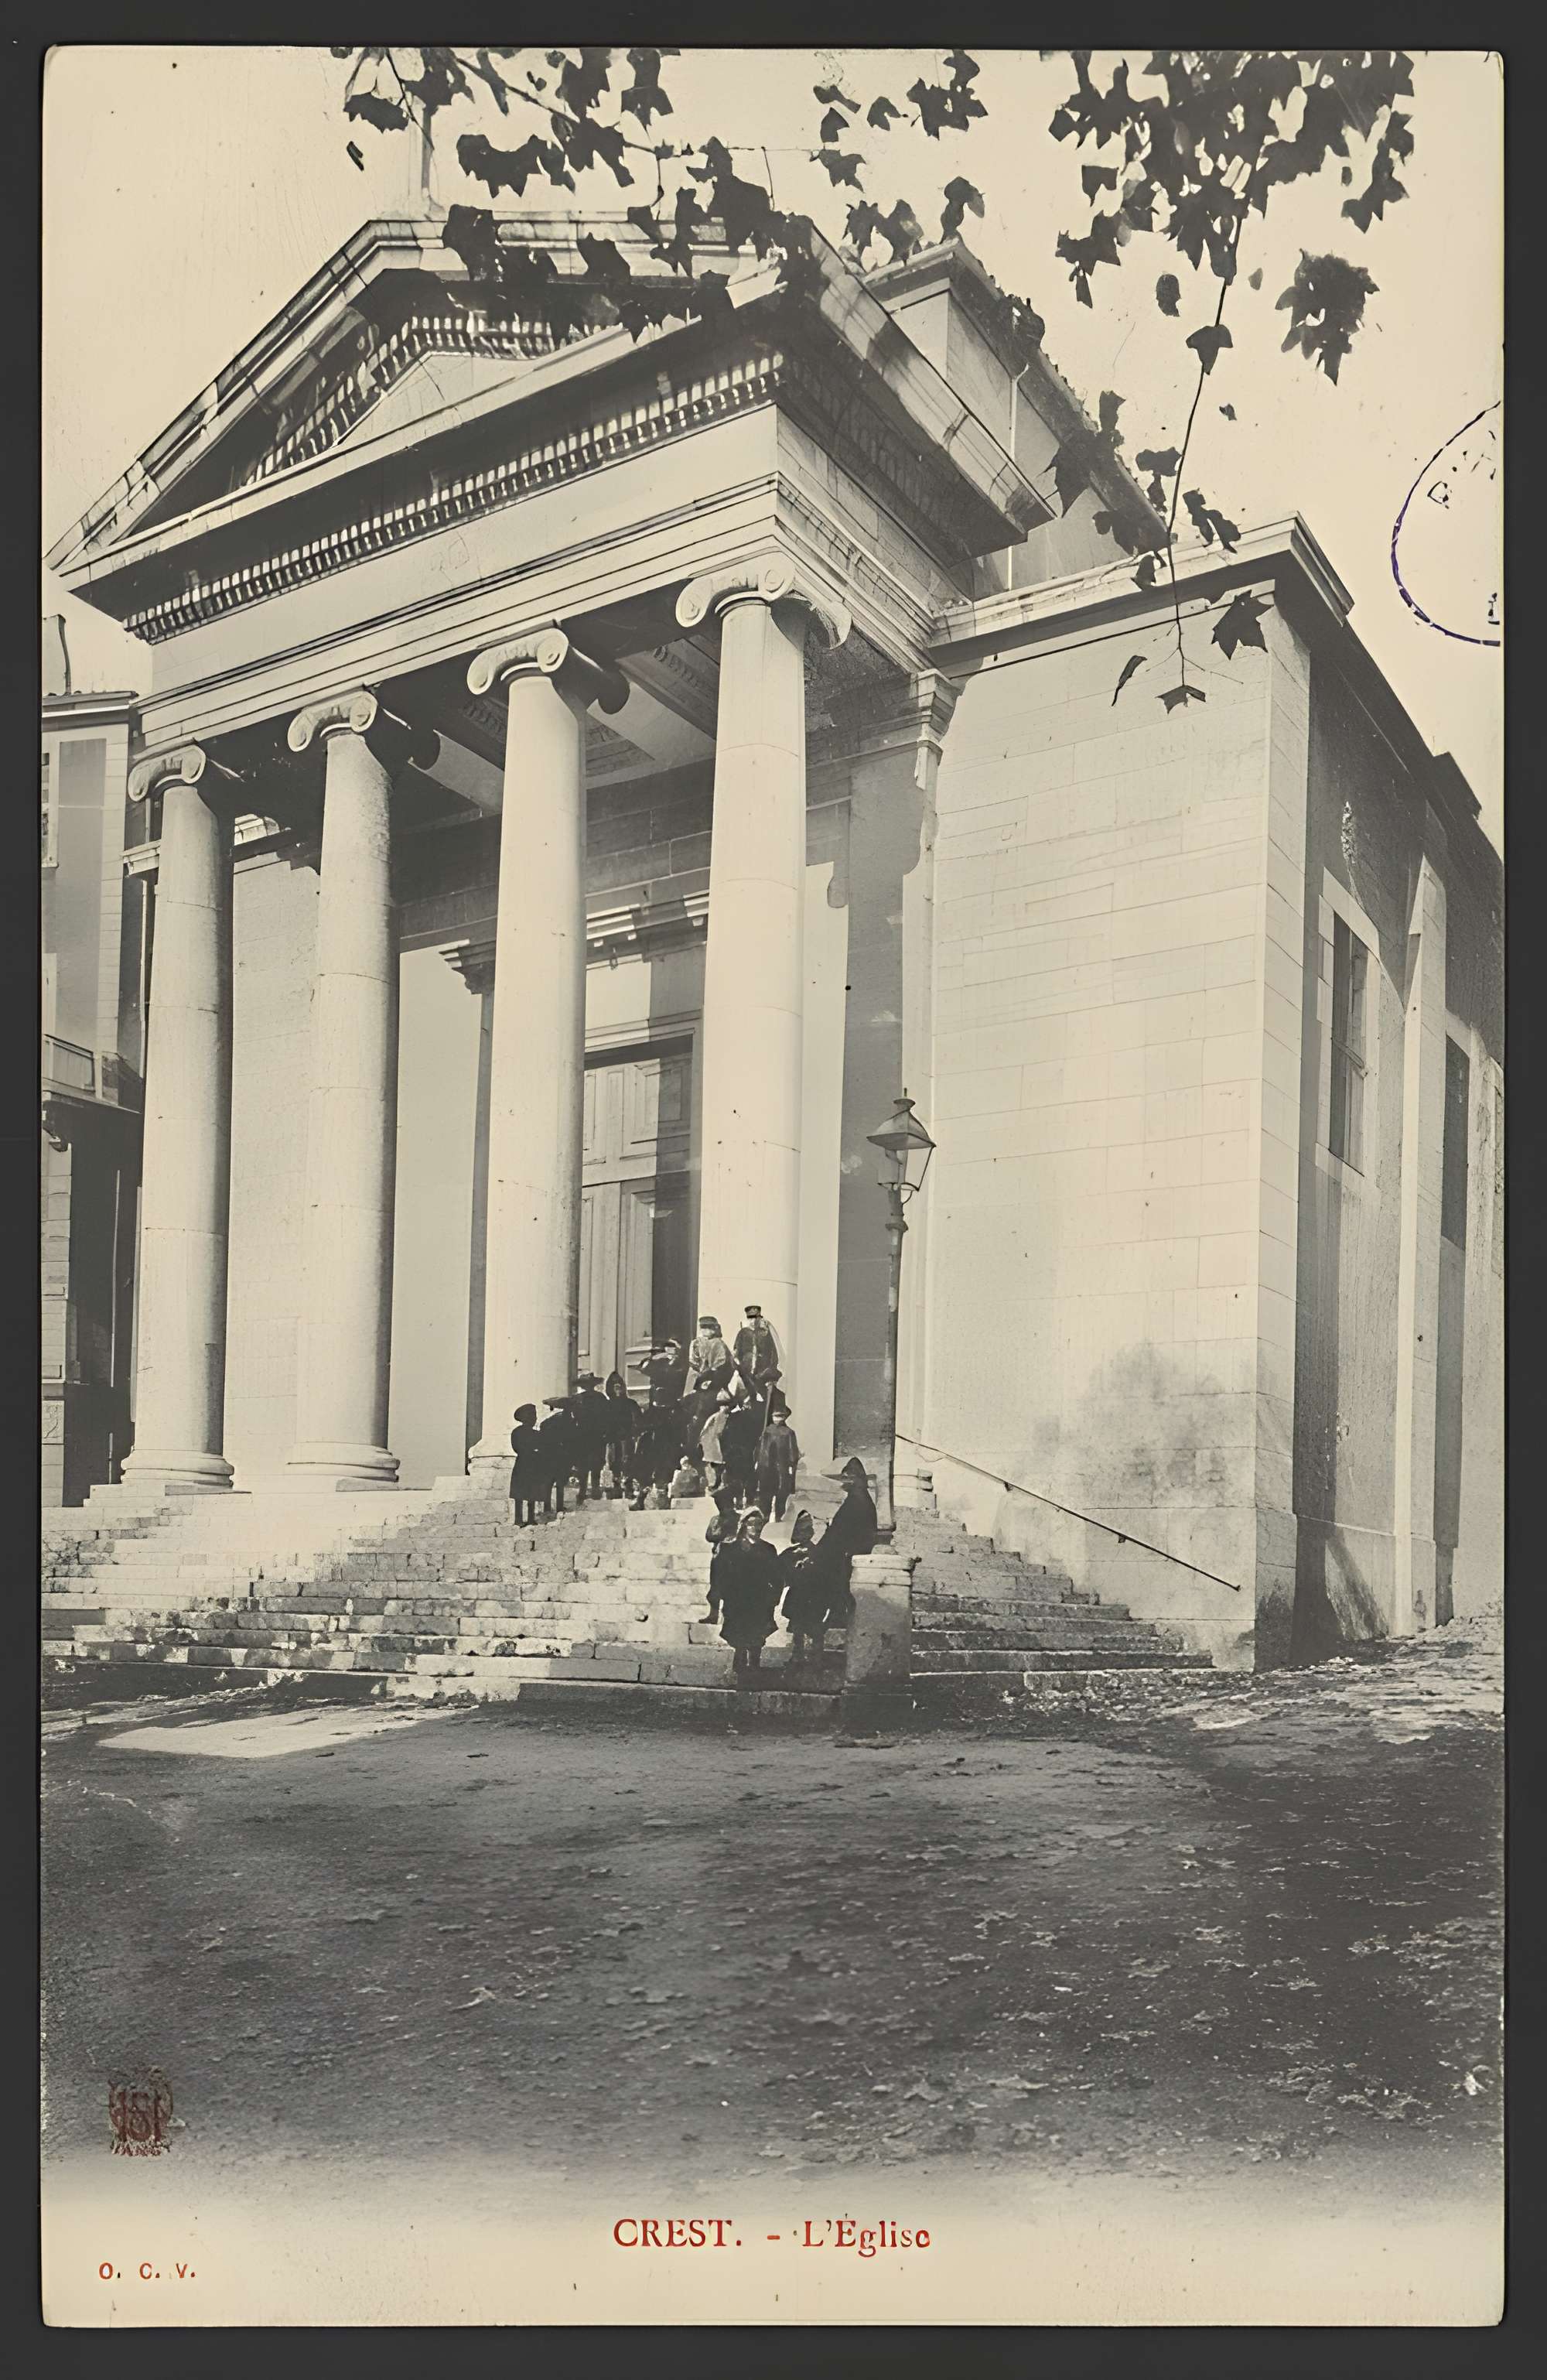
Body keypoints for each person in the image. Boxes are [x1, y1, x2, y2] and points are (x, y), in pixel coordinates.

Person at [712, 1506, 783, 1684]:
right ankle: (740, 1660)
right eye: (752, 1524)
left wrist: (773, 1597)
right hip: (737, 1599)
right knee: (738, 1630)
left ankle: (755, 1665)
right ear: (744, 1525)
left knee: (757, 1632)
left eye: (759, 1524)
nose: (756, 1528)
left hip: (759, 1600)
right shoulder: (729, 1548)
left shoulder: (768, 1549)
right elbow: (719, 1572)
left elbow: (777, 1576)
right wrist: (720, 1593)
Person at [814, 1455, 879, 1620]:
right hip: (848, 1550)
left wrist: (820, 1550)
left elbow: (841, 1530)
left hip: (848, 1553)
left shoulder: (857, 1500)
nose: (844, 1482)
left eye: (849, 1477)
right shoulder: (859, 1497)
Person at [779, 1510, 833, 1665]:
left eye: (806, 1531)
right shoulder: (790, 1554)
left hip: (815, 1597)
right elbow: (781, 1575)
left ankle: (816, 1657)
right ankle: (798, 1655)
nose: (803, 1535)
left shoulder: (820, 1553)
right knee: (797, 1628)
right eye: (800, 1532)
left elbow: (826, 1576)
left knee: (815, 1629)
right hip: (797, 1596)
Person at [733, 1305, 783, 1426]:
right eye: (750, 1318)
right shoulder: (743, 1333)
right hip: (746, 1374)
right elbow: (736, 1353)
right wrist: (740, 1369)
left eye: (756, 1318)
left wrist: (769, 1371)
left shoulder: (766, 1334)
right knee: (744, 1401)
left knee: (765, 1404)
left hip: (763, 1374)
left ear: (760, 1318)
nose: (753, 1321)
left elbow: (773, 1354)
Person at [754, 1404, 801, 1523]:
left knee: (781, 1493)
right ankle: (765, 1516)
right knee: (766, 1494)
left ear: (785, 1418)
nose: (777, 1419)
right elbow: (760, 1449)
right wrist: (758, 1463)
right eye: (775, 1416)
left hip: (782, 1468)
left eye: (780, 1416)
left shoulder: (788, 1433)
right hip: (767, 1467)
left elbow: (792, 1451)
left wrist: (792, 1465)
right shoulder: (767, 1431)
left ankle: (779, 1517)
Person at [571, 1372, 612, 1502]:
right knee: (594, 1463)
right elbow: (607, 1416)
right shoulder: (600, 1398)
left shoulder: (578, 1399)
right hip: (593, 1435)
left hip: (586, 1435)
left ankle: (586, 1490)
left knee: (588, 1464)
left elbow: (574, 1416)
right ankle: (592, 1489)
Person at [538, 1397, 579, 1518]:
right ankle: (556, 1507)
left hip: (554, 1454)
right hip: (559, 1454)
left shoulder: (554, 1419)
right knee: (558, 1482)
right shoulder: (566, 1419)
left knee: (553, 1482)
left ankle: (549, 1507)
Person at [601, 1371, 637, 1499]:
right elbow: (602, 1421)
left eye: (619, 1386)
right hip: (612, 1438)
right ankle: (616, 1486)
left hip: (627, 1437)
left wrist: (634, 1431)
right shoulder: (606, 1405)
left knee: (628, 1460)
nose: (618, 1389)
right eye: (614, 1386)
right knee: (613, 1462)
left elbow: (637, 1419)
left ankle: (628, 1486)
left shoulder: (631, 1403)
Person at [507, 1403, 545, 1527]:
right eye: (531, 1416)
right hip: (525, 1463)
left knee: (531, 1492)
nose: (534, 1419)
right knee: (520, 1493)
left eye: (534, 1416)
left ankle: (530, 1518)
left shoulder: (536, 1434)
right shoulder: (517, 1433)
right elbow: (517, 1447)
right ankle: (519, 1519)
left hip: (529, 1463)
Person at [719, 1397, 760, 1507]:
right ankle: (747, 1500)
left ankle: (740, 1500)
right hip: (743, 1452)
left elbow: (723, 1437)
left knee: (737, 1478)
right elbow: (756, 1437)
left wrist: (725, 1452)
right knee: (745, 1477)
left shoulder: (733, 1417)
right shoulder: (753, 1418)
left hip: (736, 1453)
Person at [698, 1390, 733, 1493]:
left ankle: (723, 1483)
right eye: (723, 1405)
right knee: (716, 1466)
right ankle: (716, 1483)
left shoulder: (731, 1417)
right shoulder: (715, 1417)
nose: (725, 1408)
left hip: (725, 1444)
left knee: (725, 1466)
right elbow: (705, 1431)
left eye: (727, 1405)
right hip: (714, 1444)